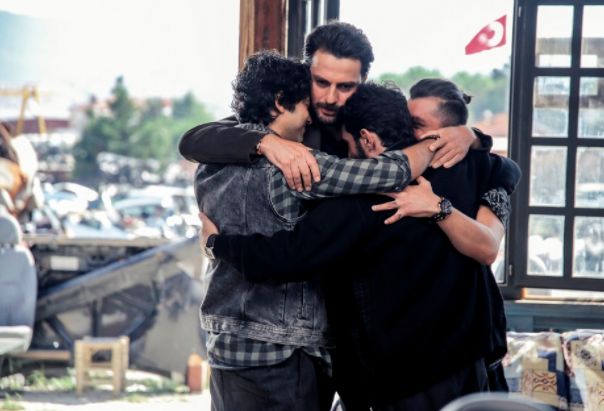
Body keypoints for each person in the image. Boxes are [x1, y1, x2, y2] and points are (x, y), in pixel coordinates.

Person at [199, 81, 521, 410]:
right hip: (474, 362)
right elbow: (508, 168)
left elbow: (287, 256)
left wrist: (217, 243)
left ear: (366, 139)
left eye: (347, 145)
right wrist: (473, 138)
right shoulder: (471, 166)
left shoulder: (361, 201)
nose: (346, 156)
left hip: (407, 379)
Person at [179, 21, 489, 196]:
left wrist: (472, 135)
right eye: (321, 82)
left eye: (345, 86)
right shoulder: (285, 117)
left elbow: (427, 139)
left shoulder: (373, 117)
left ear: (363, 81)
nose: (330, 97)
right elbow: (194, 140)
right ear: (307, 72)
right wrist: (267, 143)